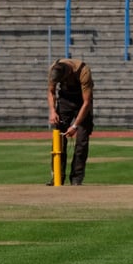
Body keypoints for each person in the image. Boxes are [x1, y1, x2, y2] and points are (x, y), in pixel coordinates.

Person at [47, 57, 94, 186]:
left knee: (82, 141)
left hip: (82, 102)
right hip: (65, 100)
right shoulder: (53, 69)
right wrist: (52, 111)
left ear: (68, 73)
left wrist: (75, 126)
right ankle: (57, 176)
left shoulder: (83, 71)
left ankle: (76, 178)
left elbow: (86, 102)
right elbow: (51, 91)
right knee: (58, 139)